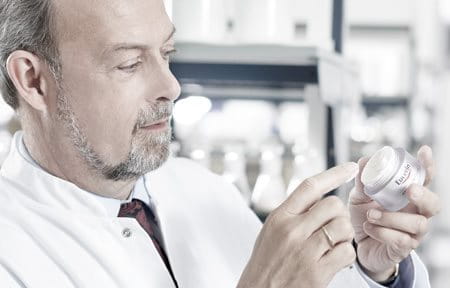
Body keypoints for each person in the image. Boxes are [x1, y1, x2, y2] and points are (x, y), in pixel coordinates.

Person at [0, 0, 440, 287]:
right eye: (130, 63)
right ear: (34, 80)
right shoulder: (11, 251)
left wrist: (373, 268)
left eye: (166, 54)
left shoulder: (200, 189)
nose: (170, 86)